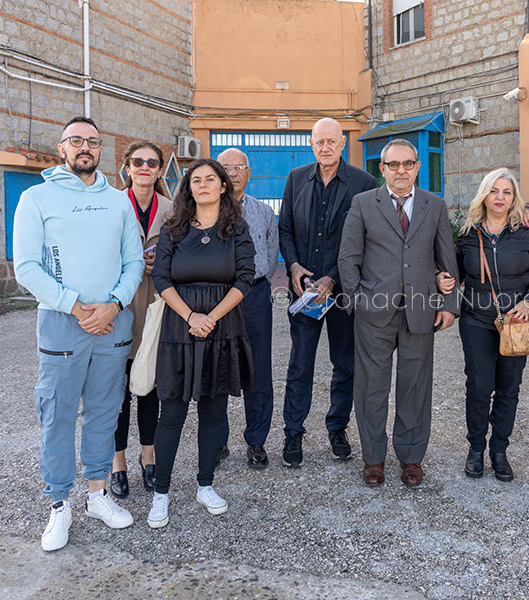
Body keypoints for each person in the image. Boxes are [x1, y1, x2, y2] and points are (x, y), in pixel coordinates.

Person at [13, 116, 144, 551]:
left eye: (92, 141)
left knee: (105, 411)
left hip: (112, 322)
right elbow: (28, 265)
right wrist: (73, 304)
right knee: (57, 413)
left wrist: (114, 304)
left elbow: (134, 263)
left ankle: (97, 494)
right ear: (62, 147)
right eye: (76, 141)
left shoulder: (118, 202)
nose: (84, 147)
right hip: (61, 322)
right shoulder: (37, 198)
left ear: (101, 150)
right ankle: (58, 505)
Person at [337, 138, 459, 487]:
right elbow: (349, 258)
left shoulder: (434, 205)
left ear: (417, 167)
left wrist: (449, 304)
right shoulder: (363, 203)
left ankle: (410, 457)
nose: (401, 170)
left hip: (421, 311)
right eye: (394, 165)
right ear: (383, 168)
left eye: (408, 164)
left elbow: (446, 258)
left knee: (415, 387)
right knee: (372, 388)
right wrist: (358, 300)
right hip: (373, 312)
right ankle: (373, 458)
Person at [148, 159, 255, 528]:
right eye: (197, 180)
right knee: (172, 413)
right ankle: (160, 494)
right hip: (180, 329)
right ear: (188, 188)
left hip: (222, 331)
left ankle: (205, 484)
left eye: (212, 179)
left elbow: (244, 279)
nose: (204, 185)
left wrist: (212, 317)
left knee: (213, 412)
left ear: (224, 186)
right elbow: (162, 278)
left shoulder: (236, 228)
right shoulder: (173, 229)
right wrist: (191, 316)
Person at [278, 118, 378, 467]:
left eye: (331, 141)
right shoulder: (295, 179)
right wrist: (292, 266)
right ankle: (294, 433)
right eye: (319, 142)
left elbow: (365, 240)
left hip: (343, 293)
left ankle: (337, 427)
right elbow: (285, 227)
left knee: (345, 365)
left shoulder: (364, 183)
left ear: (342, 144)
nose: (325, 148)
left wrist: (333, 279)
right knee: (300, 365)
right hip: (304, 292)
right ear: (311, 144)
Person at [455, 169, 529, 481]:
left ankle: (499, 449)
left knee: (509, 387)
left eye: (506, 192)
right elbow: (453, 274)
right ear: (484, 194)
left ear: (514, 197)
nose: (500, 197)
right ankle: (476, 449)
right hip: (477, 319)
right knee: (479, 386)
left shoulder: (526, 230)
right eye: (494, 191)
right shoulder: (467, 233)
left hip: (516, 322)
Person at [110, 141, 173, 499]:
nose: (145, 167)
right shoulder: (113, 204)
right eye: (138, 162)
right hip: (119, 304)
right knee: (117, 389)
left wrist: (161, 264)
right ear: (128, 168)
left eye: (152, 162)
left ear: (160, 170)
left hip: (156, 305)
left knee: (149, 384)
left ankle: (148, 457)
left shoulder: (172, 208)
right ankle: (117, 462)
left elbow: (183, 252)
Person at [215, 148, 279, 470]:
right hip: (217, 296)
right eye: (227, 167)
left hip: (255, 295)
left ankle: (256, 440)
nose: (234, 173)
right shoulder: (207, 210)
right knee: (218, 366)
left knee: (258, 367)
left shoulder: (264, 212)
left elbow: (270, 255)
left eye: (239, 167)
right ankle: (218, 440)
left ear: (249, 173)